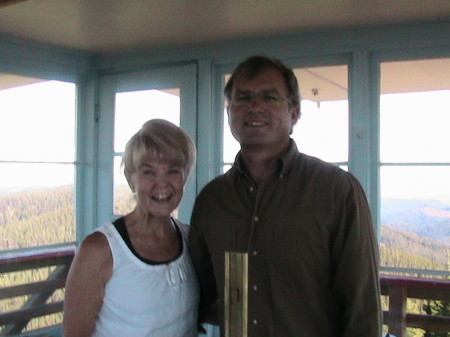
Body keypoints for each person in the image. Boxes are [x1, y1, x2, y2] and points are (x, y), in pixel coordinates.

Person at [189, 55, 382, 337]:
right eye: (242, 98)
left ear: (294, 113)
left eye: (269, 97)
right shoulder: (212, 200)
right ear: (229, 112)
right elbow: (198, 296)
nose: (255, 107)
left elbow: (362, 307)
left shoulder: (337, 191)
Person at [63, 119, 199, 337]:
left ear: (185, 176)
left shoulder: (189, 239)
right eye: (148, 172)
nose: (162, 183)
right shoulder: (100, 250)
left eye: (173, 171)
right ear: (130, 178)